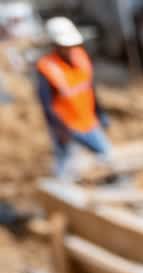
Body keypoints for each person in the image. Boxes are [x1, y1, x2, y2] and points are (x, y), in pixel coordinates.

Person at [36, 17, 111, 180]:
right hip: (65, 125)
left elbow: (90, 88)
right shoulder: (48, 69)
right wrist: (60, 130)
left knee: (106, 154)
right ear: (55, 46)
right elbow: (47, 105)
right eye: (65, 46)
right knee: (65, 167)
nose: (70, 49)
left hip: (87, 121)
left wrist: (100, 114)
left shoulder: (81, 59)